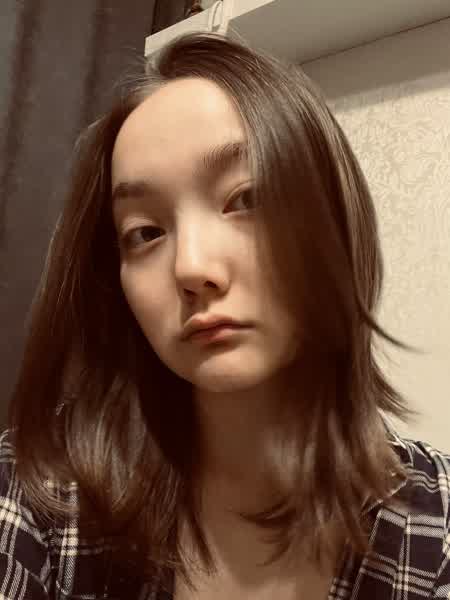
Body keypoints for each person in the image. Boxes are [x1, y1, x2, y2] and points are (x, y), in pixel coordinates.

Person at [0, 31, 449, 600]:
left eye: (246, 199)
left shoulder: (436, 527)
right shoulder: (38, 493)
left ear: (336, 217)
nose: (191, 267)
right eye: (145, 232)